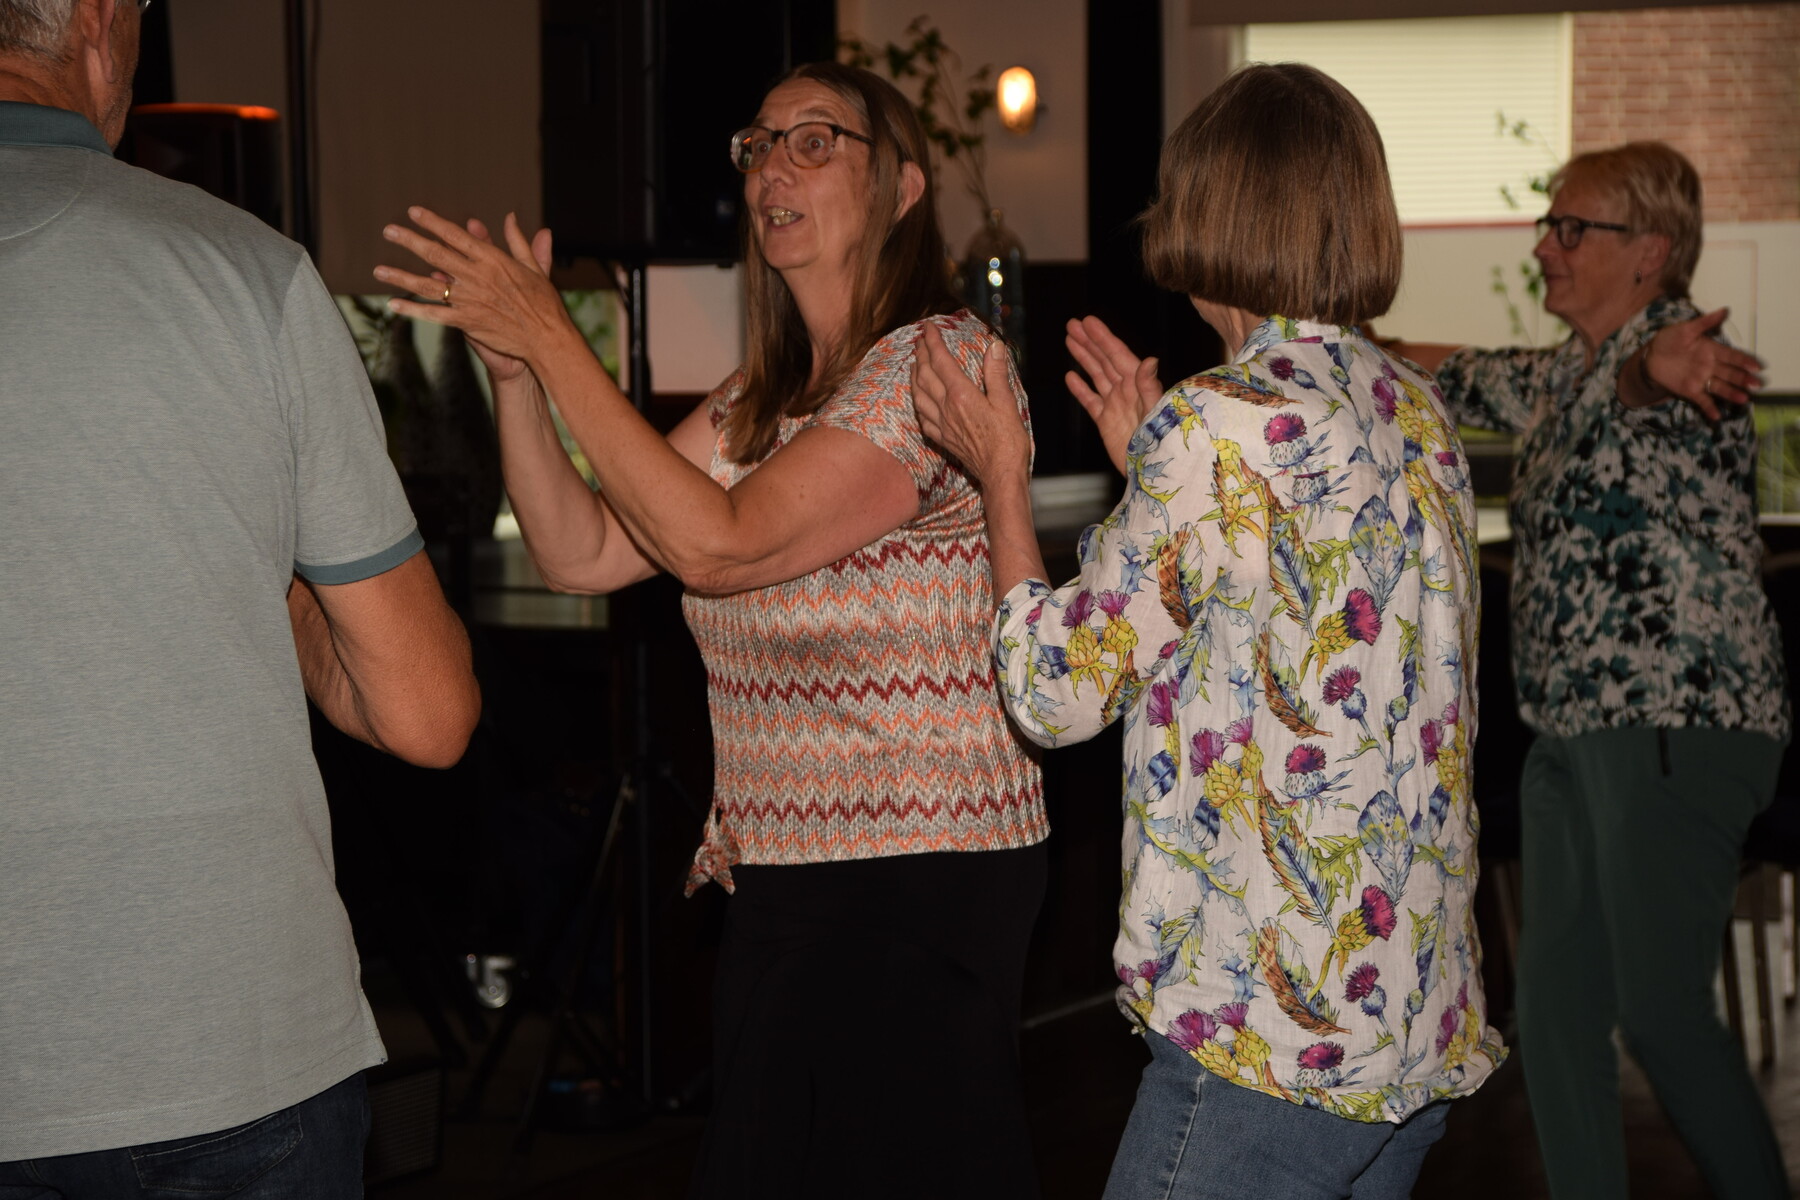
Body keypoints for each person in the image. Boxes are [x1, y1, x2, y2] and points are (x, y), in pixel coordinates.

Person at [374, 61, 1048, 1199]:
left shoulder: (936, 369)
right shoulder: (760, 400)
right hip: (785, 879)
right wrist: (519, 378)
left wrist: (555, 333)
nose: (775, 167)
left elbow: (719, 545)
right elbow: (583, 552)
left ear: (901, 189)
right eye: (759, 144)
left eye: (816, 140)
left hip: (917, 878)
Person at [914, 62, 1503, 1199]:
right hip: (1410, 1021)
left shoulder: (1219, 426)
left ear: (1205, 211)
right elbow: (1281, 608)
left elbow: (1052, 692)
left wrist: (999, 475)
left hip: (1269, 1046)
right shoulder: (1412, 409)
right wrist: (1156, 460)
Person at [0, 0, 481, 1195]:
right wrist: (246, 557)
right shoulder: (242, 272)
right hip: (226, 1043)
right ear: (99, 20)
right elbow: (427, 713)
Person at [1385, 142, 1789, 1199]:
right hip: (1572, 727)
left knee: (1658, 1009)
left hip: (1674, 722)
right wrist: (1332, 337)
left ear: (1651, 251)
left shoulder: (1682, 357)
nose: (1546, 247)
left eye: (1574, 229)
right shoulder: (1562, 375)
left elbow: (1647, 386)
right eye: (1547, 226)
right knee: (1558, 1013)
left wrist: (1656, 372)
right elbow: (1443, 366)